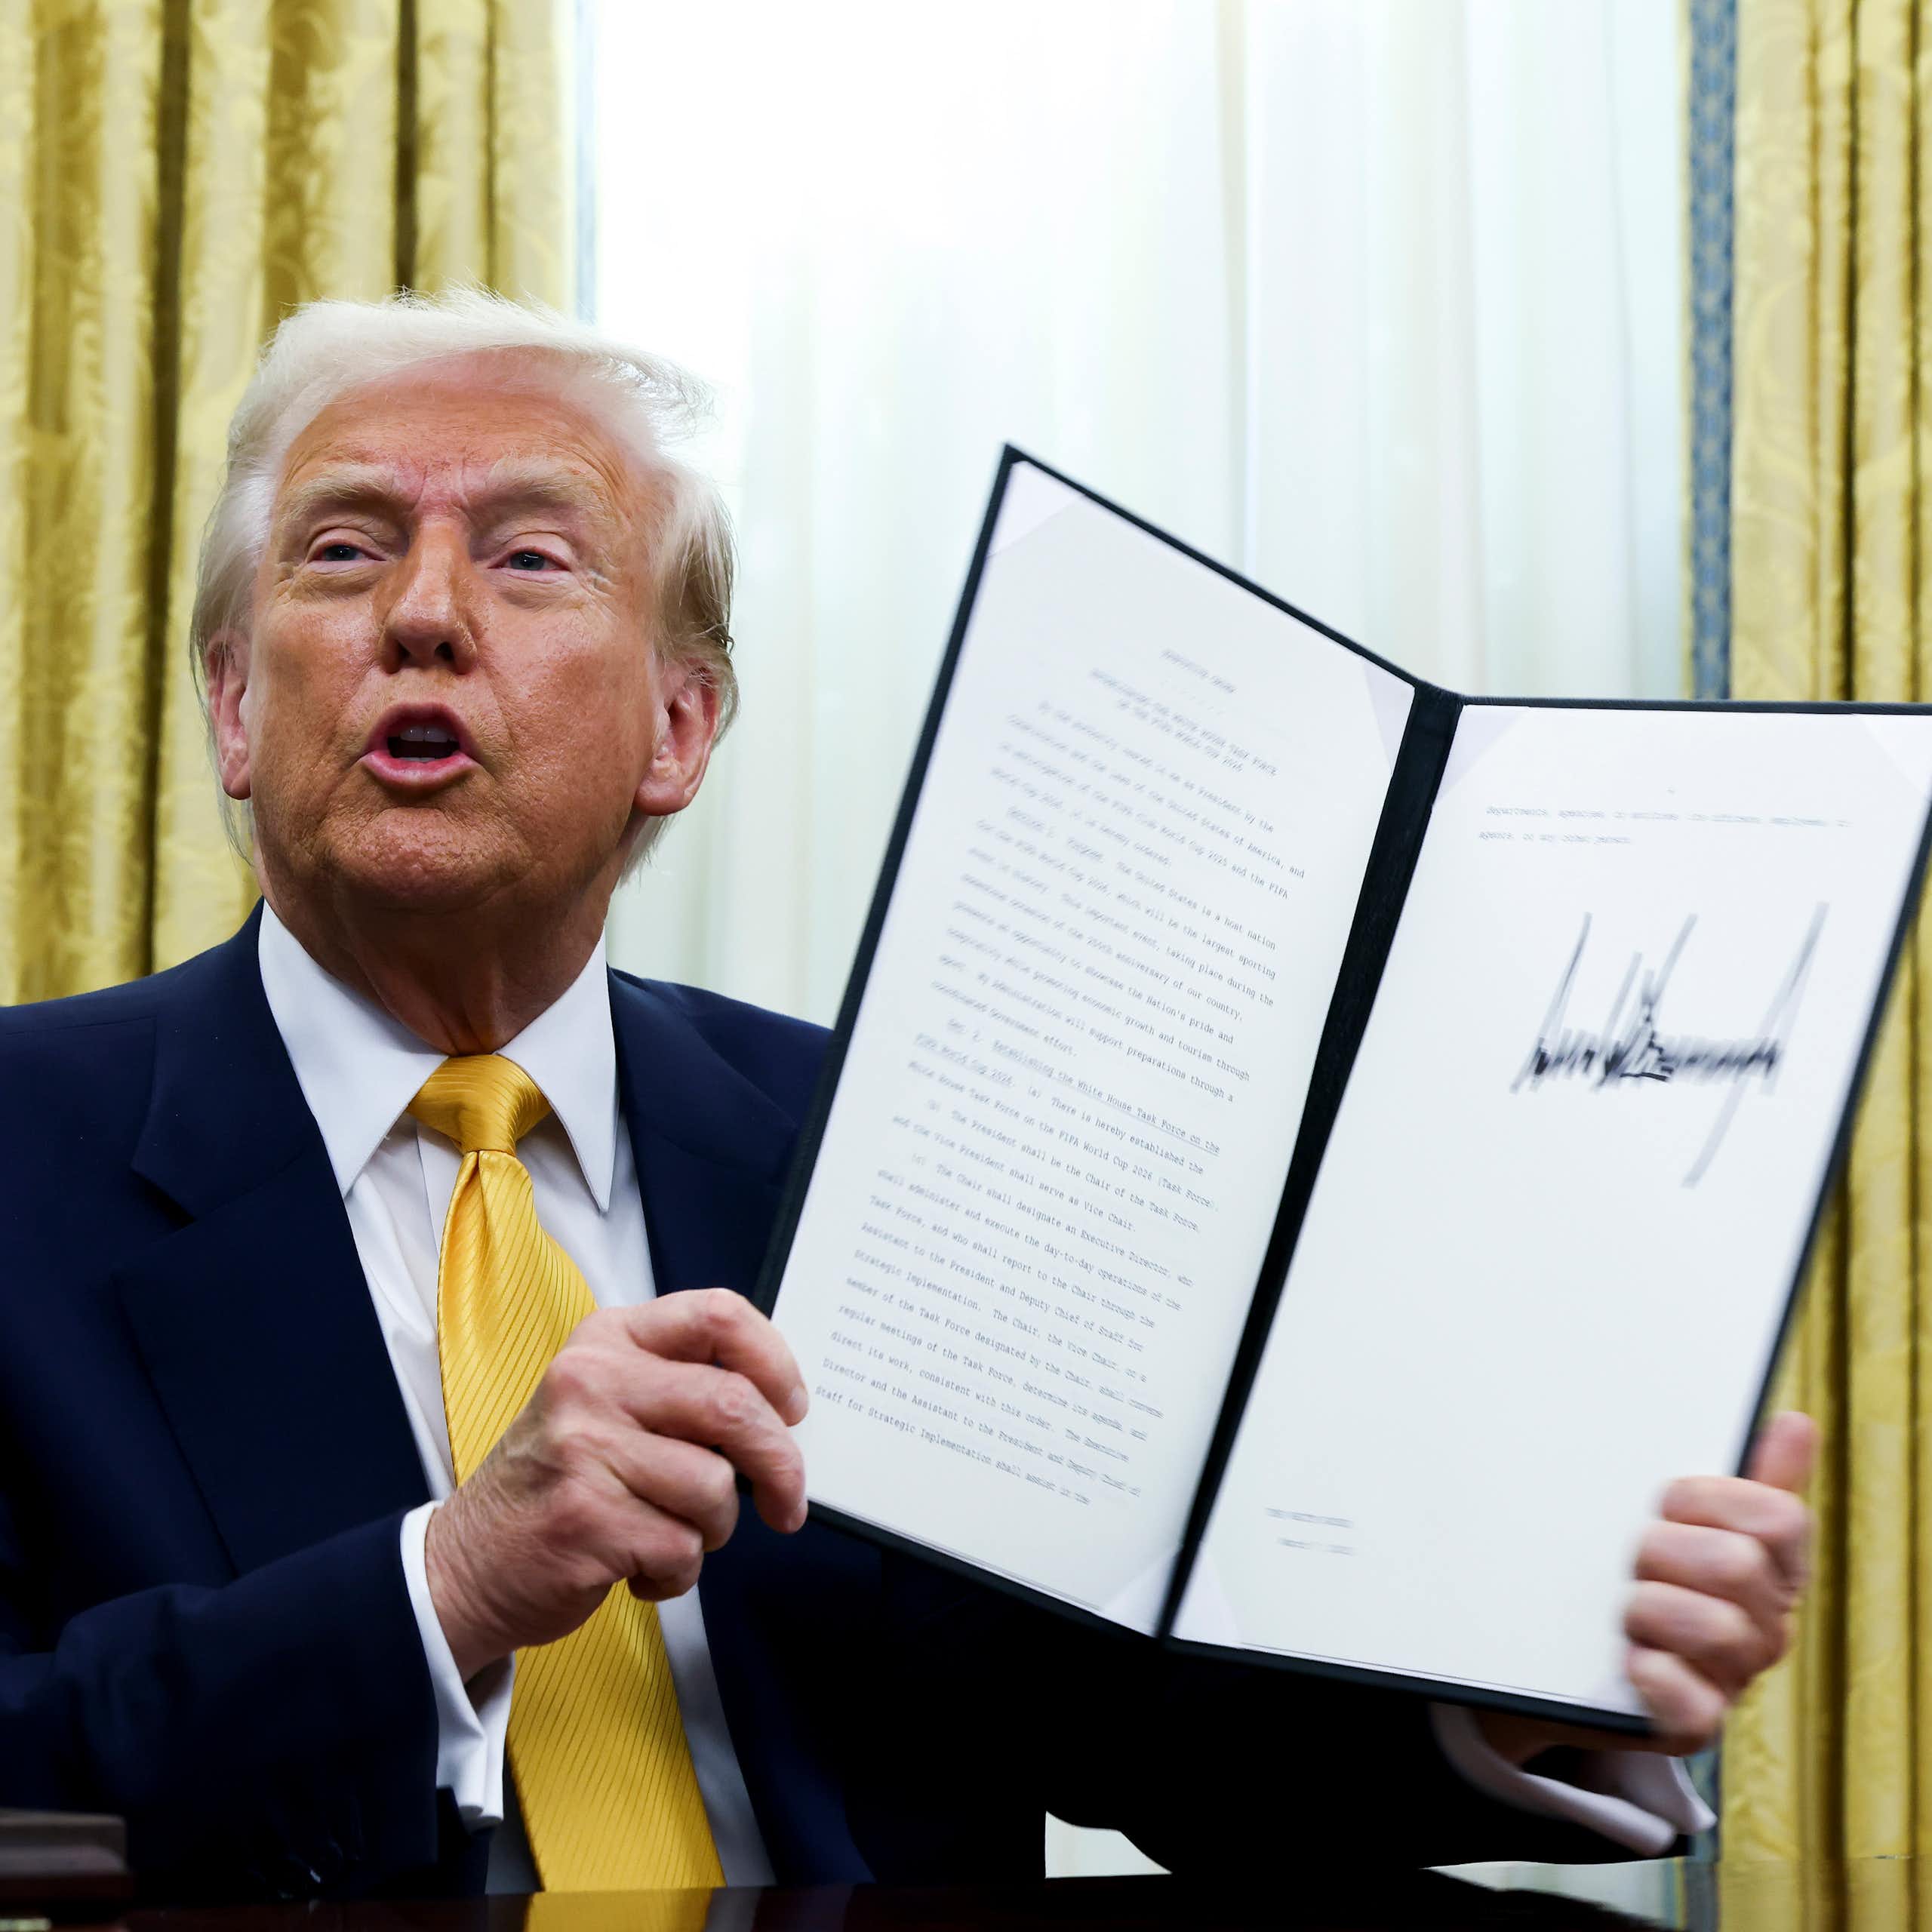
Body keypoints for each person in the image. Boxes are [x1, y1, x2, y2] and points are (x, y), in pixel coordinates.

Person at [0, 291, 1814, 1903]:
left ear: (679, 730)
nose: (419, 613)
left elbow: (1133, 1713)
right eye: (339, 552)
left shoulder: (871, 1146)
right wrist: (447, 1580)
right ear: (235, 710)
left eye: (532, 558)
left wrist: (1522, 1659)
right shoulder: (25, 1149)